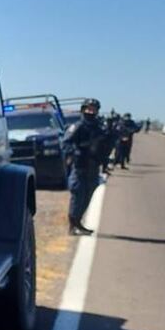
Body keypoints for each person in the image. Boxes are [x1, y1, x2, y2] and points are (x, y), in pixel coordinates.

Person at [63, 99, 104, 236]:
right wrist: (75, 153)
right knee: (77, 196)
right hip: (80, 166)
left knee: (87, 197)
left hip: (93, 167)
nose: (91, 112)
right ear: (83, 110)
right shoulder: (78, 126)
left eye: (93, 109)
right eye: (88, 109)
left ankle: (78, 222)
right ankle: (72, 224)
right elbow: (66, 143)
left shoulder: (98, 128)